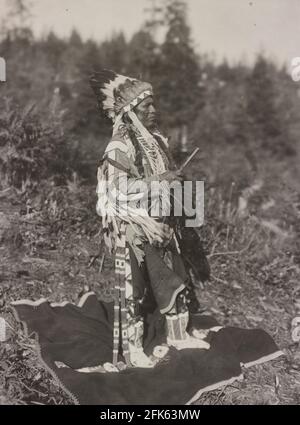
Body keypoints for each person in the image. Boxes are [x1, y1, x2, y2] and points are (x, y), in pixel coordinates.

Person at [89, 70, 211, 368]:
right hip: (130, 225)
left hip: (159, 221)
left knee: (176, 274)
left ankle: (178, 335)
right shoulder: (119, 146)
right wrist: (160, 180)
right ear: (131, 112)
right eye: (147, 107)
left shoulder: (155, 141)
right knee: (134, 288)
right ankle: (132, 350)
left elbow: (165, 179)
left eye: (153, 105)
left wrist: (178, 188)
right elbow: (114, 190)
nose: (153, 111)